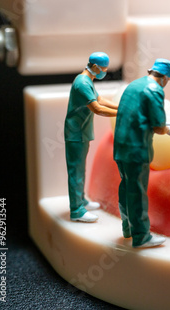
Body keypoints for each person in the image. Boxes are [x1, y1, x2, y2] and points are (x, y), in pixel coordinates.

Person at [113, 59, 170, 248]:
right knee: (138, 192)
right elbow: (158, 126)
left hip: (121, 147)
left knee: (125, 187)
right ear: (165, 78)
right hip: (137, 150)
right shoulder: (155, 90)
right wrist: (169, 129)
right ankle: (141, 236)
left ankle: (127, 228)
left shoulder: (134, 85)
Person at [64, 51, 118, 223]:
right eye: (103, 69)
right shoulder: (82, 83)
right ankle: (76, 210)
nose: (104, 72)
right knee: (76, 171)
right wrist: (122, 113)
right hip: (75, 133)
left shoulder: (87, 80)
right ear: (95, 67)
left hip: (82, 131)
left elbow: (100, 99)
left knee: (81, 169)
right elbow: (97, 108)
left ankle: (81, 200)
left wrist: (120, 106)